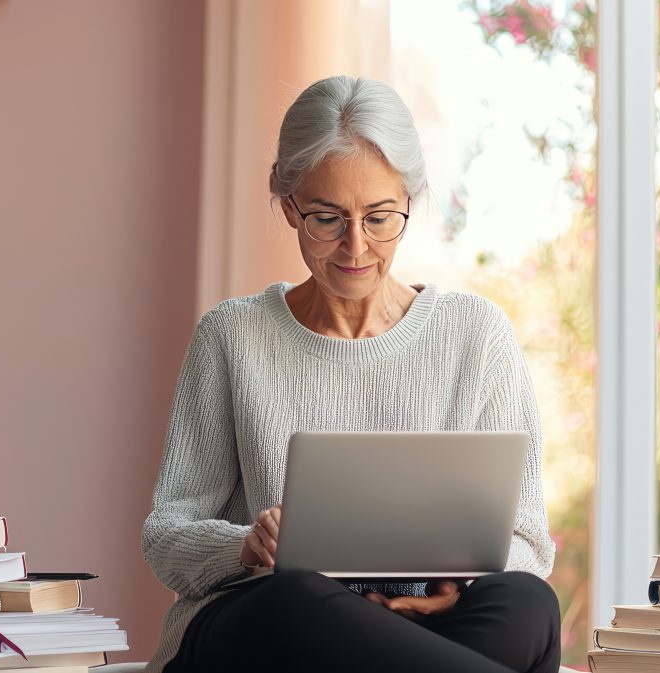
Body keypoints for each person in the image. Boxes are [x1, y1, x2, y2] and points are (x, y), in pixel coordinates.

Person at [140, 76, 560, 673]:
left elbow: (528, 541)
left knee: (528, 602)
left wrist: (457, 588)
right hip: (275, 622)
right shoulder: (232, 336)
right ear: (289, 205)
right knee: (296, 593)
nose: (355, 246)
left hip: (423, 621)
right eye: (326, 218)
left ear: (409, 201)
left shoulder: (476, 336)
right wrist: (246, 545)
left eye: (380, 217)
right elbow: (166, 534)